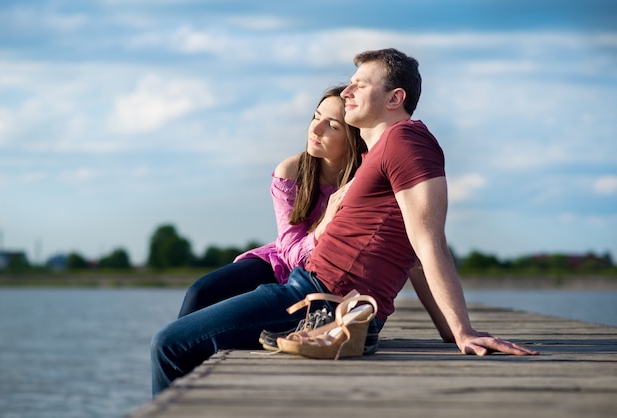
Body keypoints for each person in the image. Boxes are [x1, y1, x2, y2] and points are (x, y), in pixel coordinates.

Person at [151, 48, 538, 397]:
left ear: (394, 98)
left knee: (169, 344)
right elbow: (411, 251)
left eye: (360, 84)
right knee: (200, 309)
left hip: (318, 297)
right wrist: (449, 331)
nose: (348, 92)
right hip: (316, 291)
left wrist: (462, 330)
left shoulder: (405, 140)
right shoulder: (380, 152)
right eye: (349, 84)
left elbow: (427, 241)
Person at [176, 85, 365, 318]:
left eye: (332, 126)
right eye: (315, 117)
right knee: (201, 292)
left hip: (325, 282)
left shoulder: (366, 180)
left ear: (355, 139)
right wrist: (325, 224)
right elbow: (291, 254)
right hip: (279, 264)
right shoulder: (291, 171)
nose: (315, 129)